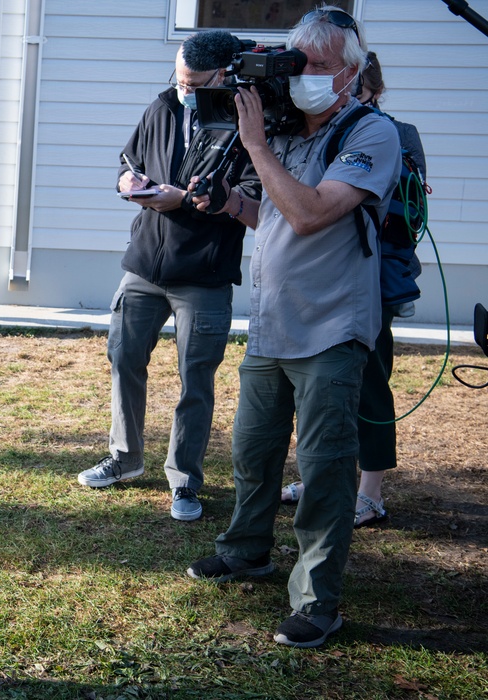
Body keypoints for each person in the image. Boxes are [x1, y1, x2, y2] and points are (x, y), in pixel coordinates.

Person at [186, 8, 401, 648]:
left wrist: (254, 145)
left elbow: (310, 215)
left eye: (321, 66)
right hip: (272, 325)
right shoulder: (285, 132)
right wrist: (230, 203)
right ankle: (247, 549)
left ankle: (317, 603)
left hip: (333, 331)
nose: (305, 76)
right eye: (298, 62)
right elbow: (275, 216)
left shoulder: (372, 134)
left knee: (325, 469)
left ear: (351, 73)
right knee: (252, 453)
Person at [76, 31, 261, 523]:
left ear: (223, 76)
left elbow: (249, 197)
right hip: (144, 265)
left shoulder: (251, 124)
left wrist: (185, 199)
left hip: (203, 274)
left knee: (194, 380)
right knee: (123, 358)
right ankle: (124, 458)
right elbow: (128, 159)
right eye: (178, 79)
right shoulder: (161, 106)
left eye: (193, 83)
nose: (182, 89)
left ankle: (184, 480)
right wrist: (127, 181)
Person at [280, 51, 428, 528]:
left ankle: (371, 491)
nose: (347, 104)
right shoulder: (315, 129)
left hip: (373, 277)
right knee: (317, 386)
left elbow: (409, 214)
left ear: (373, 92)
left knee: (370, 384)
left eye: (358, 95)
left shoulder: (393, 133)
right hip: (322, 274)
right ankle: (316, 475)